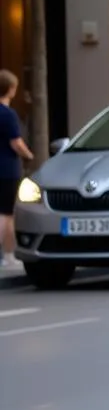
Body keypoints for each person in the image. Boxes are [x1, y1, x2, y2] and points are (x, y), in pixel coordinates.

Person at [0, 70, 33, 267]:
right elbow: (16, 143)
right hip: (6, 169)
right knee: (7, 213)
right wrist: (29, 155)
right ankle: (9, 255)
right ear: (11, 89)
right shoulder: (8, 115)